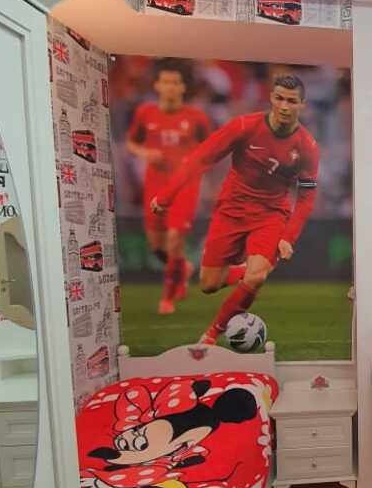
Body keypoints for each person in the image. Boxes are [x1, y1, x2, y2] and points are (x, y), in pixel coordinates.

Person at [151, 71, 319, 345]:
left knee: (257, 278)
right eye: (279, 98)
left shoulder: (308, 147)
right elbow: (201, 157)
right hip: (231, 210)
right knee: (209, 284)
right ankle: (244, 270)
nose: (284, 106)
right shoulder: (244, 126)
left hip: (271, 214)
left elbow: (306, 197)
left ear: (302, 105)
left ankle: (211, 335)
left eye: (291, 101)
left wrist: (288, 237)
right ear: (271, 98)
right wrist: (167, 195)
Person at [125, 59, 211, 315]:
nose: (171, 87)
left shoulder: (197, 117)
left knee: (175, 239)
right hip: (155, 184)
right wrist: (145, 153)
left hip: (185, 186)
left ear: (183, 87)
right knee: (158, 247)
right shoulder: (145, 113)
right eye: (166, 82)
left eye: (175, 82)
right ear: (157, 85)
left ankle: (168, 297)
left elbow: (211, 148)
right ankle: (182, 268)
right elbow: (131, 143)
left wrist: (195, 165)